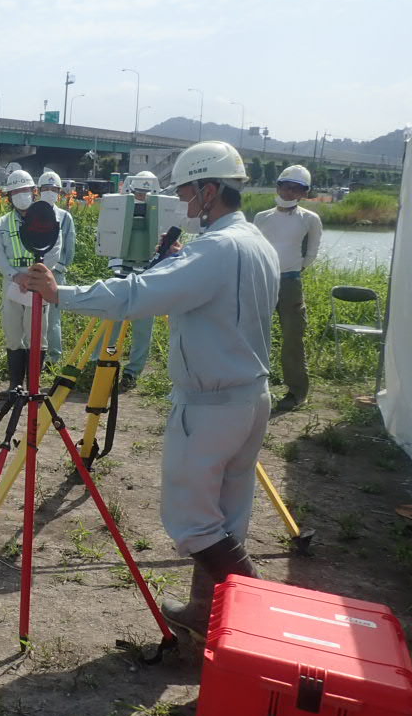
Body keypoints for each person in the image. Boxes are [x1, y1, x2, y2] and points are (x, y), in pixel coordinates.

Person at [25, 141, 280, 638]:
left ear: (210, 191)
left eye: (188, 193)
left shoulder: (217, 248)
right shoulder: (256, 242)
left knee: (191, 521)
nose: (184, 205)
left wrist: (61, 294)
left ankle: (258, 617)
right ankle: (211, 618)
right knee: (227, 518)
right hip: (249, 398)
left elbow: (138, 294)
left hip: (211, 406)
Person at [254, 164, 322, 411]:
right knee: (256, 333)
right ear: (278, 187)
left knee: (293, 337)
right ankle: (254, 386)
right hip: (262, 279)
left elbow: (311, 252)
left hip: (291, 281)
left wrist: (294, 270)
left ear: (304, 193)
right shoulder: (262, 217)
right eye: (286, 186)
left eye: (297, 188)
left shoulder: (310, 219)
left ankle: (297, 391)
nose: (290, 192)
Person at [0, 170, 61, 398]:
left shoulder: (49, 218)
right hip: (12, 283)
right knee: (12, 332)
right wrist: (15, 276)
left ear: (33, 192)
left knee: (37, 334)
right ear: (9, 195)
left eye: (25, 190)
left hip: (38, 281)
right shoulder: (3, 222)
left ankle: (34, 385)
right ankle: (15, 384)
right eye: (16, 191)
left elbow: (54, 251)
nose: (21, 195)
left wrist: (32, 277)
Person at [116, 173, 158, 391]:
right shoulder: (119, 210)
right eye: (137, 193)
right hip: (121, 274)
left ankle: (132, 372)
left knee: (143, 328)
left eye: (145, 193)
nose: (141, 197)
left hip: (147, 277)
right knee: (113, 323)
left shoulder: (161, 214)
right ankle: (105, 364)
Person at [36, 171, 76, 369]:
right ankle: (35, 353)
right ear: (38, 191)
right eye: (46, 189)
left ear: (59, 193)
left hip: (56, 273)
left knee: (53, 318)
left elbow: (70, 246)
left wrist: (59, 267)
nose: (50, 192)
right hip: (35, 272)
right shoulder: (33, 213)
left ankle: (53, 356)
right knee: (34, 315)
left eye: (54, 190)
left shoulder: (64, 216)